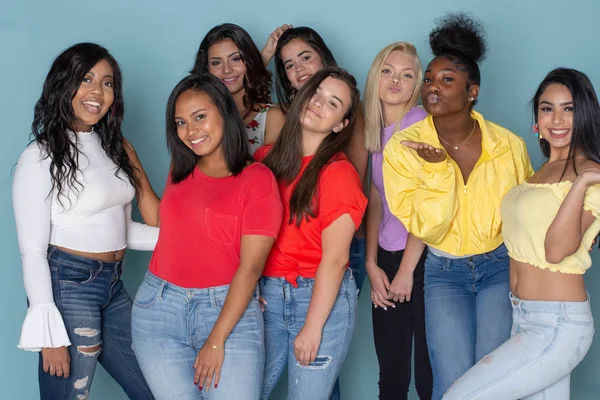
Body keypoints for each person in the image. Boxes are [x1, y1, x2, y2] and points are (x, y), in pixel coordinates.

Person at [382, 13, 533, 399]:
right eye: (429, 79)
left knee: (496, 376)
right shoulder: (403, 147)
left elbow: (524, 217)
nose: (432, 87)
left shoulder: (508, 145)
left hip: (499, 267)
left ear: (472, 92)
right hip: (443, 272)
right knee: (452, 381)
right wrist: (436, 172)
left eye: (447, 80)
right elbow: (426, 226)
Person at [12, 42, 158, 400]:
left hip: (113, 286)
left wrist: (191, 238)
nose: (97, 92)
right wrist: (48, 332)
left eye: (107, 83)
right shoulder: (40, 156)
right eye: (87, 79)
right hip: (69, 285)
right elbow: (32, 250)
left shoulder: (113, 149)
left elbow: (120, 231)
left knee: (155, 385)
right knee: (69, 394)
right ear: (65, 85)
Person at [444, 68, 599, 399]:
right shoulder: (539, 171)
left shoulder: (593, 178)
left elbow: (556, 250)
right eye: (547, 108)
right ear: (537, 118)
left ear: (584, 114)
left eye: (568, 108)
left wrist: (583, 181)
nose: (556, 119)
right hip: (523, 314)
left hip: (558, 324)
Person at [131, 73, 282, 400]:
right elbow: (166, 225)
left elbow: (250, 268)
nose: (191, 130)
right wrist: (137, 173)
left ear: (225, 113)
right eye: (181, 122)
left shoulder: (257, 180)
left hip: (227, 311)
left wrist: (216, 340)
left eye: (200, 117)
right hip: (159, 309)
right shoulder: (180, 167)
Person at [255, 67, 367, 400]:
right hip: (267, 296)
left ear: (340, 124)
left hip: (319, 299)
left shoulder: (339, 174)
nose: (318, 104)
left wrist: (313, 327)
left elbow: (335, 259)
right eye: (317, 93)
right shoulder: (265, 162)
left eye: (333, 103)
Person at [363, 42, 432, 400]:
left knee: (426, 373)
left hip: (420, 260)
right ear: (376, 76)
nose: (395, 80)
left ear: (417, 84)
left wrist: (405, 271)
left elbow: (427, 202)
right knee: (391, 373)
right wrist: (372, 264)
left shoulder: (418, 125)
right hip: (387, 257)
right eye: (388, 71)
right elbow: (377, 197)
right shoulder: (375, 130)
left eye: (407, 75)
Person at [191, 23, 285, 154]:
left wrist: (259, 62)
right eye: (216, 63)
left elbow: (269, 173)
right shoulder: (197, 117)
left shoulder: (273, 117)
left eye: (236, 59)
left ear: (249, 60)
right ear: (207, 69)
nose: (227, 70)